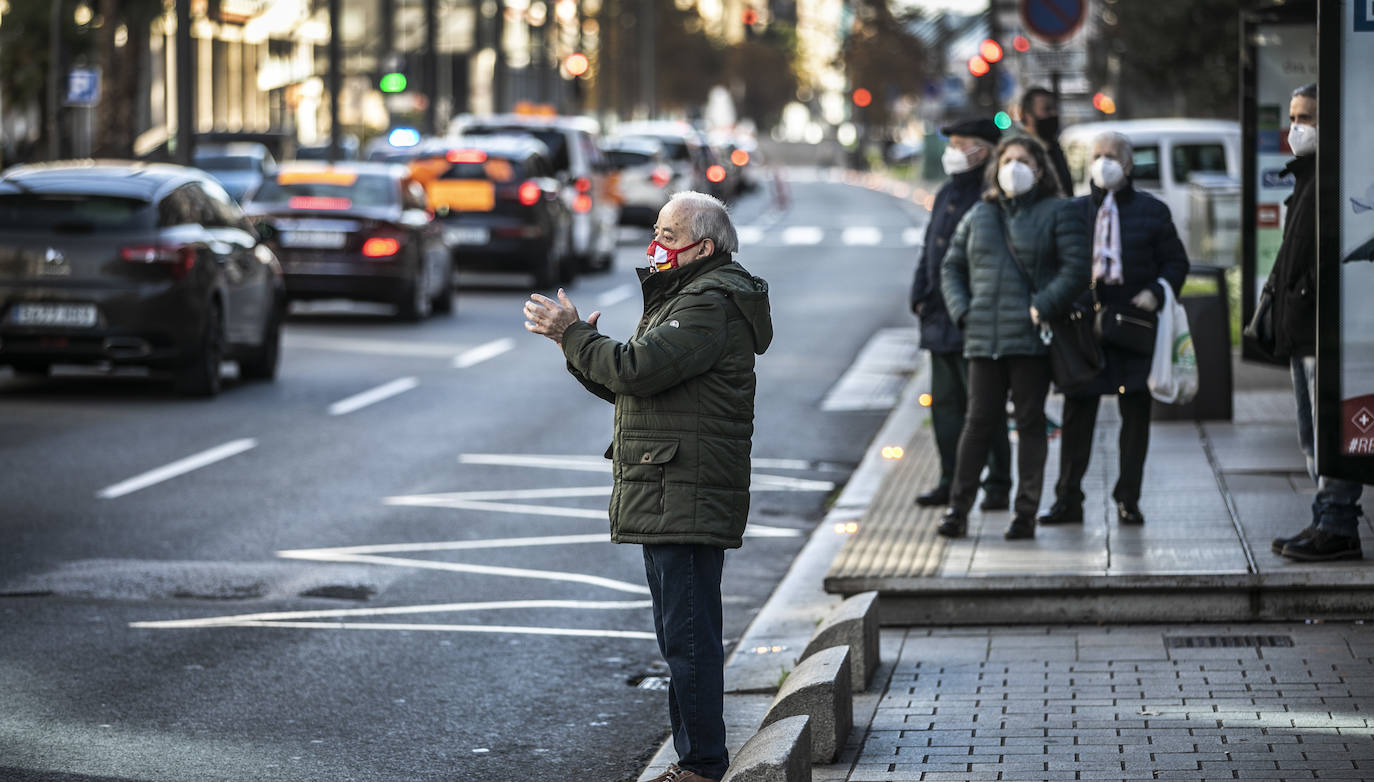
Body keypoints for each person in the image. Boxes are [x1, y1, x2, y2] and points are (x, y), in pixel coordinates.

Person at [523, 191, 772, 782]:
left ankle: (703, 765)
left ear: (703, 247)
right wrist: (577, 347)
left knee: (687, 639)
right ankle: (695, 760)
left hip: (683, 488)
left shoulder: (710, 301)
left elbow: (635, 369)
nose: (654, 243)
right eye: (657, 229)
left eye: (666, 233)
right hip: (670, 485)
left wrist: (572, 335)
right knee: (679, 637)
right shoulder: (686, 294)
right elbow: (633, 386)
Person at [938, 136, 1091, 540]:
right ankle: (957, 509)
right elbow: (951, 266)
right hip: (982, 338)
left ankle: (1024, 513)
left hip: (1031, 339)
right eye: (1008, 160)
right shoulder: (980, 215)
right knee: (978, 423)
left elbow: (1077, 270)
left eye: (1023, 160)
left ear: (1039, 169)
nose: (1014, 167)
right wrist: (964, 312)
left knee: (1030, 424)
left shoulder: (1059, 212)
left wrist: (1044, 304)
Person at [1039, 131, 1190, 528]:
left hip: (1133, 327)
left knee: (1135, 416)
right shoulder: (1070, 213)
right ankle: (1067, 498)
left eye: (1111, 156)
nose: (1102, 162)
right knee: (1077, 415)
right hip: (1082, 330)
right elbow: (1052, 266)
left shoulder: (1152, 212)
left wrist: (1157, 292)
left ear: (1127, 164)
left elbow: (1176, 263)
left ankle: (1129, 498)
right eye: (1097, 155)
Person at [1266, 83, 1366, 561]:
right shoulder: (1307, 175)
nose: (1296, 128)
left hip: (1324, 327)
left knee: (1330, 429)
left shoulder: (1341, 175)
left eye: (1307, 118)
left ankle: (1337, 521)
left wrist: (1304, 293)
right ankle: (1325, 516)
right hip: (1303, 326)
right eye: (1293, 117)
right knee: (1311, 434)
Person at [910, 118, 1012, 510]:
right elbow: (929, 248)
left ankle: (999, 483)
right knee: (946, 407)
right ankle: (951, 480)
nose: (952, 151)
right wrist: (919, 293)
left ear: (982, 150)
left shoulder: (992, 195)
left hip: (975, 317)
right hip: (938, 317)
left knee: (983, 407)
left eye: (960, 144)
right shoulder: (947, 192)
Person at [1020, 87, 1073, 198]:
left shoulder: (1054, 147)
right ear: (1027, 115)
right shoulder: (1018, 151)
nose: (1053, 114)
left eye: (1055, 109)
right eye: (1046, 109)